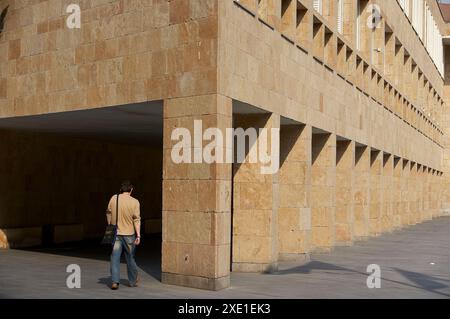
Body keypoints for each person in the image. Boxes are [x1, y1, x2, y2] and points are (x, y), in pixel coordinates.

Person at [106, 180, 141, 290]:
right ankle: (133, 280)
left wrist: (110, 225)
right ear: (131, 189)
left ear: (121, 190)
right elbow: (137, 219)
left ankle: (115, 282)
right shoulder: (135, 202)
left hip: (116, 234)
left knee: (115, 257)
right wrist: (138, 235)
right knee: (130, 258)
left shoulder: (114, 198)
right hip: (129, 235)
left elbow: (108, 212)